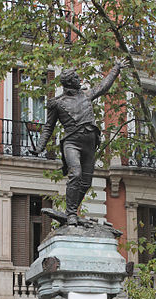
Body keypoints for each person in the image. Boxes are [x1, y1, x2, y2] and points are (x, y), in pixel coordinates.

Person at [32, 61, 126, 225]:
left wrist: (115, 69)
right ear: (69, 81)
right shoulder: (57, 103)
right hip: (72, 142)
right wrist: (40, 147)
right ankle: (71, 215)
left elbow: (103, 86)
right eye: (76, 77)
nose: (79, 79)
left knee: (86, 182)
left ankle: (72, 211)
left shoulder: (86, 95)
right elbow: (48, 127)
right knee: (75, 174)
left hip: (90, 143)